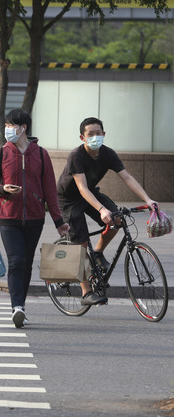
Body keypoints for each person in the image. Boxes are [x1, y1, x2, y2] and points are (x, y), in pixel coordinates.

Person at [57, 117, 158, 306]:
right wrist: (102, 209)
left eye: (98, 133)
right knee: (80, 243)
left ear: (104, 134)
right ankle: (86, 292)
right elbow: (82, 189)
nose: (95, 137)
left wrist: (147, 199)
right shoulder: (76, 156)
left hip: (91, 193)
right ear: (82, 137)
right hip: (69, 199)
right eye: (90, 134)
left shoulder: (108, 154)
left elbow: (127, 177)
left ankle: (98, 252)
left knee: (117, 220)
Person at [0, 109, 70, 328]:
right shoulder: (1, 153)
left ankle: (20, 305)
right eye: (6, 125)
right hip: (8, 217)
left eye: (11, 126)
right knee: (16, 260)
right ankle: (17, 308)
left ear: (23, 128)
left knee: (27, 262)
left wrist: (59, 221)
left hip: (34, 218)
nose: (7, 130)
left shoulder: (41, 154)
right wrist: (2, 189)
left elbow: (50, 190)